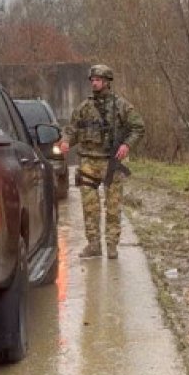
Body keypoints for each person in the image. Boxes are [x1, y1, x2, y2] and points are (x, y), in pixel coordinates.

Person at [59, 64, 145, 259]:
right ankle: (94, 244)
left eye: (98, 80)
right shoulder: (84, 108)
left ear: (106, 82)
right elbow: (72, 129)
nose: (94, 83)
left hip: (111, 163)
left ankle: (112, 245)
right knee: (90, 207)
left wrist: (127, 145)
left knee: (113, 206)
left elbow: (138, 127)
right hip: (88, 162)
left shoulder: (121, 106)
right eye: (92, 80)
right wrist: (65, 141)